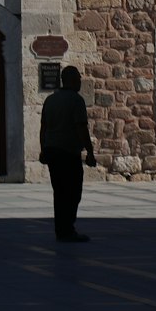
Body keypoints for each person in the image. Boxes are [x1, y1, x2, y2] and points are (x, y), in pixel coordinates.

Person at [40, 65, 96, 242]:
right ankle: (68, 229)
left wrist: (43, 149)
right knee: (73, 192)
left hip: (52, 152)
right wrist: (90, 152)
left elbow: (44, 128)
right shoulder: (76, 100)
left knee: (59, 192)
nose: (80, 81)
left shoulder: (50, 100)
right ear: (71, 79)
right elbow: (81, 128)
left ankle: (61, 229)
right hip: (68, 152)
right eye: (78, 78)